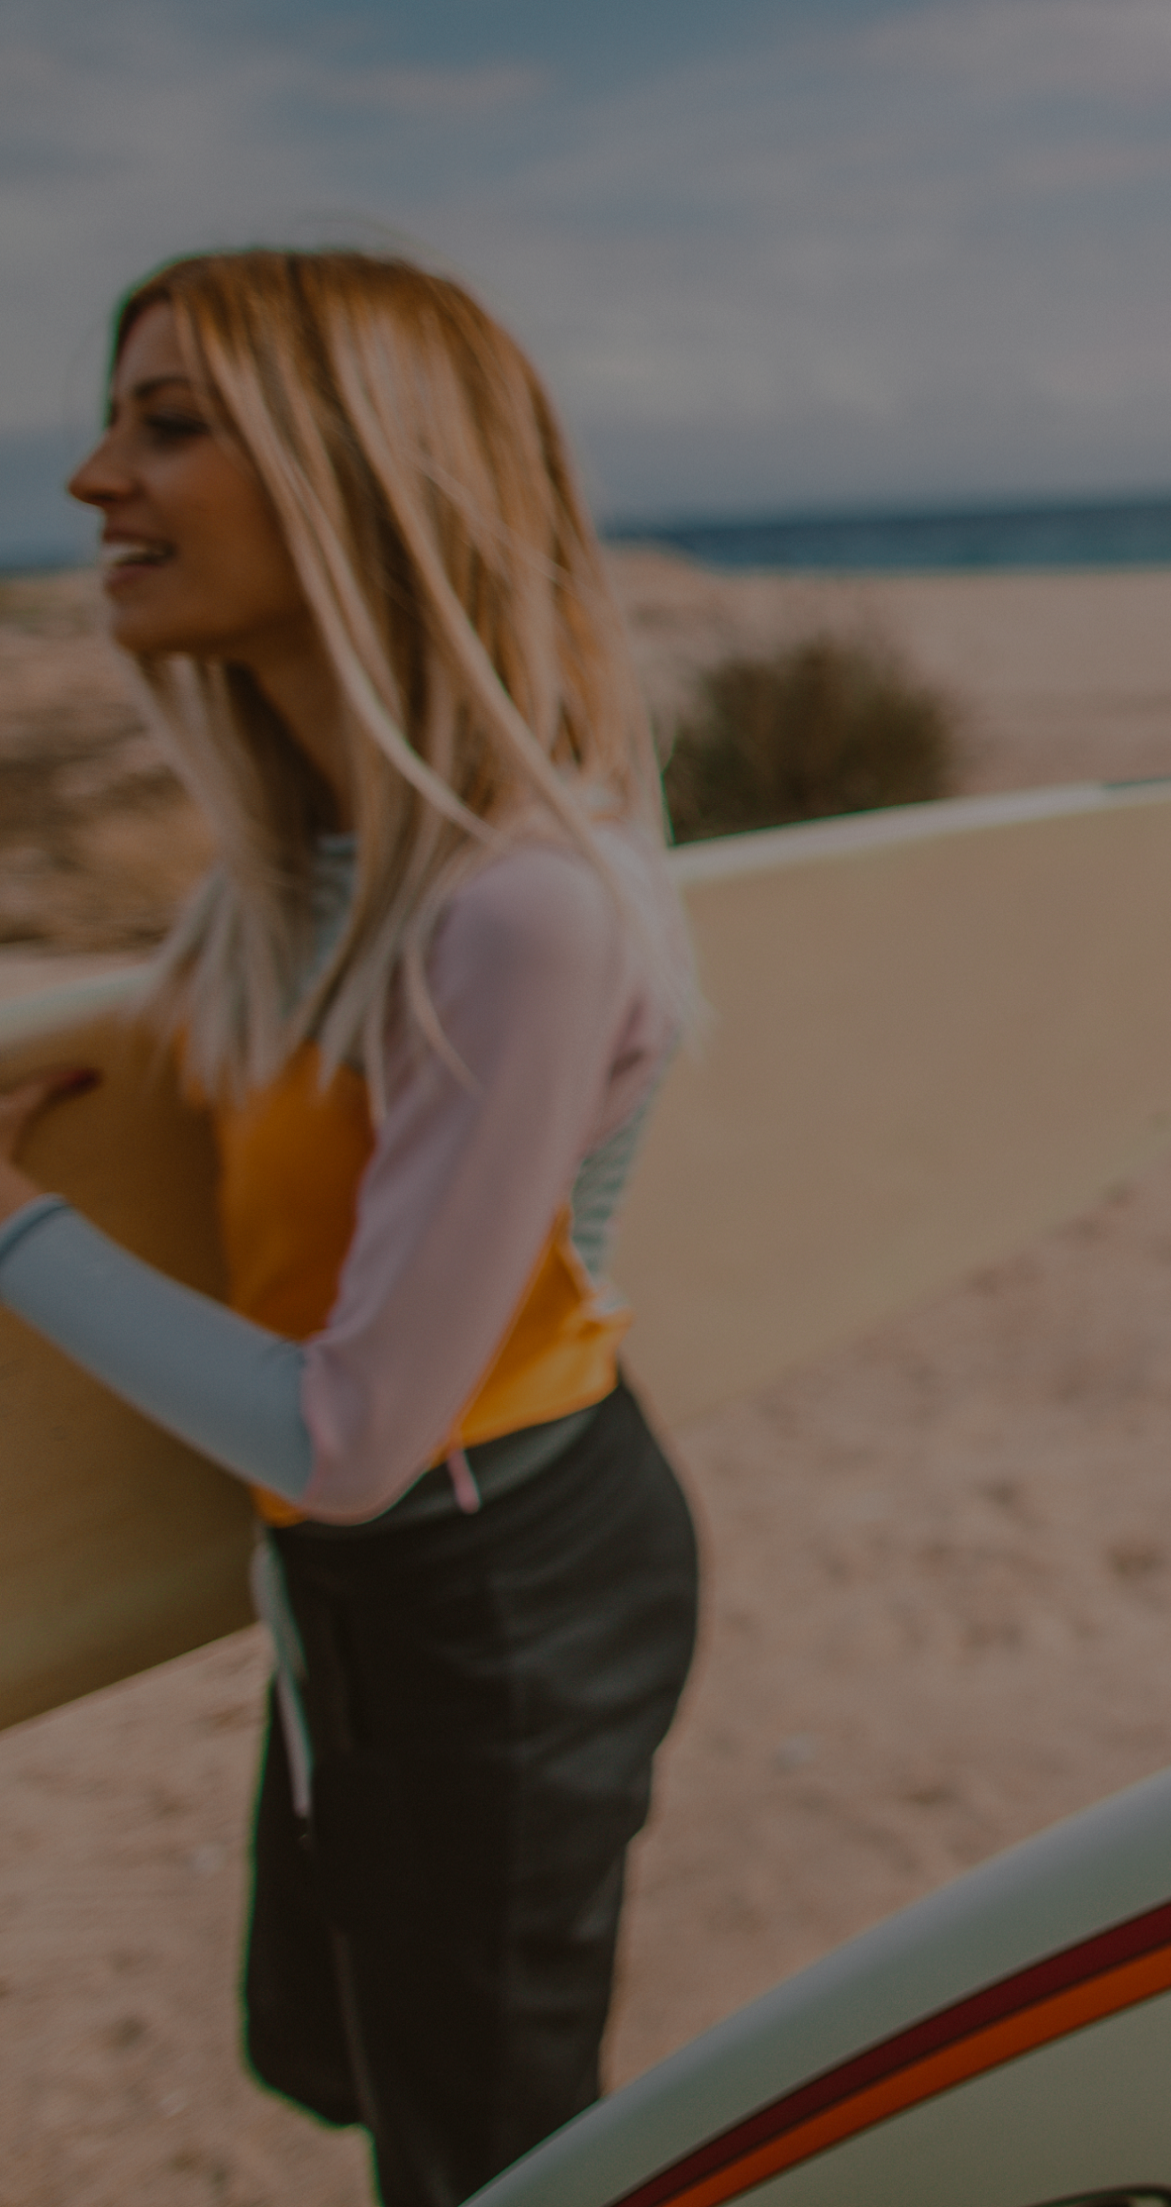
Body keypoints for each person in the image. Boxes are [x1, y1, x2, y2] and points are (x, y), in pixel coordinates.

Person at [0, 250, 702, 2207]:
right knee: (327, 2043)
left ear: (359, 469)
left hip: (492, 1577)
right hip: (362, 1579)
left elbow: (350, 1430)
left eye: (168, 421)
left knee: (485, 2148)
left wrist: (13, 1233)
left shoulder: (524, 906)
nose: (89, 479)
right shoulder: (302, 873)